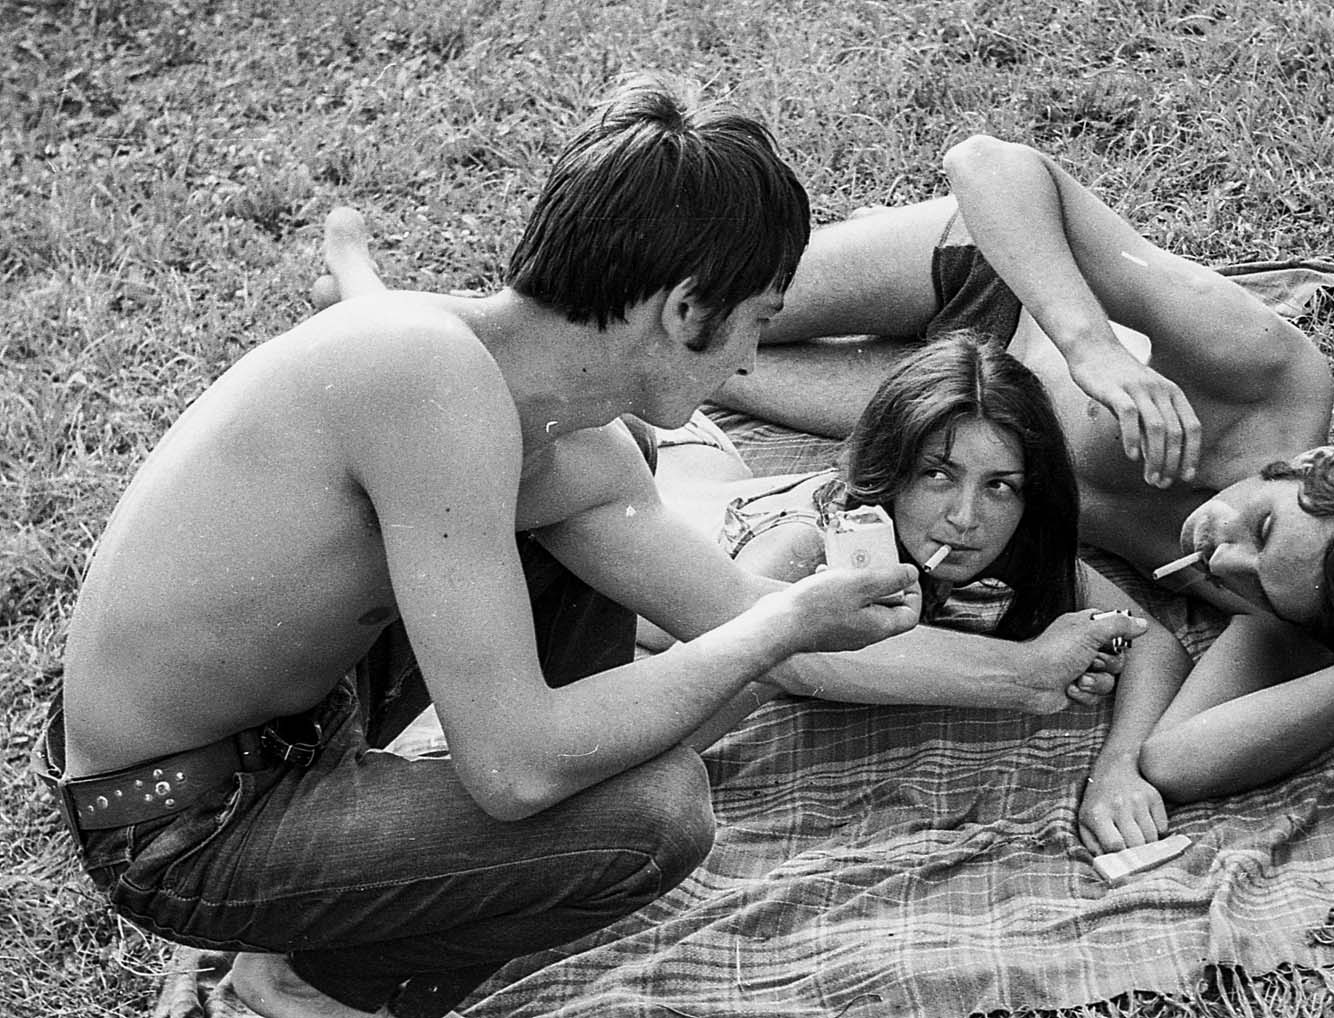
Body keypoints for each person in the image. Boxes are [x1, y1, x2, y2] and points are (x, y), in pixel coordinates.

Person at [309, 137, 1334, 834]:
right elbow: (991, 163)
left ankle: (389, 323)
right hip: (989, 284)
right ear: (1304, 467)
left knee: (697, 381)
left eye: (1249, 585)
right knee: (677, 330)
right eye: (1258, 523)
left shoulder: (1287, 588)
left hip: (928, 419)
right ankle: (388, 318)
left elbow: (1176, 750)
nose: (1217, 554)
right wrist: (1088, 344)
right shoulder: (1272, 377)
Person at [39, 74, 947, 1018]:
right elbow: (518, 772)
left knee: (601, 509)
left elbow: (735, 611)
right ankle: (305, 981)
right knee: (652, 817)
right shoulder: (425, 378)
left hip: (297, 724)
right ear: (685, 310)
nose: (751, 360)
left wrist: (1007, 660)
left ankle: (406, 866)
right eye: (757, 320)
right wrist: (784, 626)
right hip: (178, 821)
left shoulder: (532, 413)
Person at [643, 332, 1195, 853]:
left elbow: (1148, 640)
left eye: (999, 485)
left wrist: (1118, 769)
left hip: (709, 463)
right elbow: (672, 722)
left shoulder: (1004, 533)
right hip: (662, 457)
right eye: (937, 475)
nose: (966, 517)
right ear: (891, 468)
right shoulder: (805, 547)